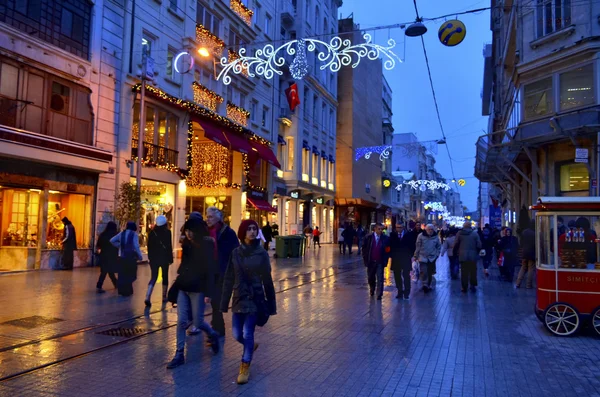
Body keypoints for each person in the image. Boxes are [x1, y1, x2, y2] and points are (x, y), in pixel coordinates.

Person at [221, 220, 277, 385]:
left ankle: (244, 366)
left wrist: (271, 305)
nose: (252, 232)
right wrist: (224, 302)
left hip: (255, 298)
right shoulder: (235, 253)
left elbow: (267, 280)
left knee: (247, 333)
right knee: (236, 334)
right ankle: (250, 346)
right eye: (249, 229)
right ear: (243, 232)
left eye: (254, 229)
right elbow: (229, 278)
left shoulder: (261, 254)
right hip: (238, 298)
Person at [167, 216, 220, 369]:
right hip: (184, 287)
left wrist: (209, 292)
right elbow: (184, 264)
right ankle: (179, 354)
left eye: (191, 231)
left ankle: (212, 334)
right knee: (182, 321)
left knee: (197, 321)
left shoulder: (207, 245)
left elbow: (210, 270)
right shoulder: (187, 245)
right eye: (187, 230)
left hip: (198, 289)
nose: (188, 234)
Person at [206, 206, 240, 337]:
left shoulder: (228, 232)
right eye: (207, 216)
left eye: (210, 217)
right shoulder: (207, 232)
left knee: (216, 300)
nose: (207, 219)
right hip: (210, 271)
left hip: (223, 271)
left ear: (218, 218)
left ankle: (218, 328)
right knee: (213, 300)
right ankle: (217, 326)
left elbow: (235, 251)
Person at [146, 215, 173, 307]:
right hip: (164, 258)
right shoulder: (168, 232)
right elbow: (169, 246)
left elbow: (149, 246)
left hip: (154, 258)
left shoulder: (151, 233)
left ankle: (148, 296)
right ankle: (164, 296)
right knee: (165, 276)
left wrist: (149, 257)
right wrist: (170, 258)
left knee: (154, 277)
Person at [110, 221, 142, 296]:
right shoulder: (134, 234)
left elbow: (112, 240)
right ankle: (128, 290)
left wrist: (120, 246)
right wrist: (140, 256)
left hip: (121, 257)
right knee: (130, 274)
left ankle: (121, 291)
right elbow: (136, 246)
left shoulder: (122, 233)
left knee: (122, 274)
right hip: (130, 258)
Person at [361, 223, 390, 300]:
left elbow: (387, 249)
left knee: (380, 278)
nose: (380, 231)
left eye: (381, 229)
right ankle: (372, 288)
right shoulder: (368, 237)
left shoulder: (385, 238)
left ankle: (379, 294)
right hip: (371, 261)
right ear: (375, 229)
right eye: (379, 229)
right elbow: (364, 249)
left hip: (380, 261)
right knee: (371, 277)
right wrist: (365, 259)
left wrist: (385, 259)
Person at [453, 222, 482, 292]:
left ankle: (464, 287)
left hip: (463, 256)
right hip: (472, 256)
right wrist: (476, 252)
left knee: (464, 272)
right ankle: (472, 285)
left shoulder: (459, 233)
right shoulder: (475, 234)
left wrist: (455, 253)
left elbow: (456, 244)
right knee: (473, 271)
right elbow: (479, 245)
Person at [414, 224, 441, 293]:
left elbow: (438, 246)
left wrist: (437, 254)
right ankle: (425, 284)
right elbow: (418, 246)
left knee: (430, 272)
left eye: (432, 229)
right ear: (426, 229)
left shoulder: (436, 237)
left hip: (432, 257)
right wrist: (416, 255)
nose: (430, 231)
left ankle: (428, 284)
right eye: (429, 229)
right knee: (424, 271)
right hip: (423, 257)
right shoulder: (420, 236)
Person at [389, 223, 412, 300]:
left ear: (403, 228)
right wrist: (391, 254)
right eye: (397, 227)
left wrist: (410, 255)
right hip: (396, 259)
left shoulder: (408, 235)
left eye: (400, 227)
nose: (398, 229)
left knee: (406, 276)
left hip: (405, 258)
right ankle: (400, 291)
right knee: (397, 276)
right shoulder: (392, 235)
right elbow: (390, 246)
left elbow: (412, 246)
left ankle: (406, 292)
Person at [96, 221, 118, 293]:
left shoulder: (103, 235)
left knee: (106, 270)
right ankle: (99, 286)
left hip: (104, 255)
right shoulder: (116, 235)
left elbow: (98, 245)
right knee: (108, 270)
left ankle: (116, 284)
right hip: (112, 255)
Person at [516, 220, 535, 289]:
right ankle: (528, 285)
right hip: (532, 253)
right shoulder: (535, 233)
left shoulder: (524, 232)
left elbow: (521, 243)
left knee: (523, 267)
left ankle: (518, 283)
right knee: (531, 269)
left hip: (524, 252)